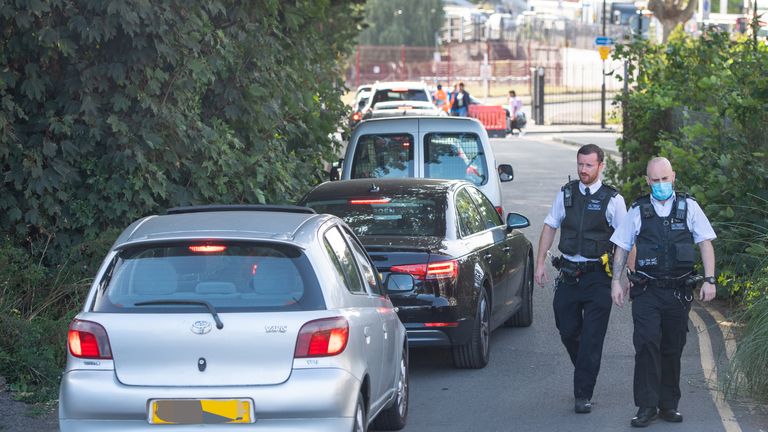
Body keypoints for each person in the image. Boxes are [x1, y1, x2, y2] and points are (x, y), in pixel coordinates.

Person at [609, 156, 716, 428]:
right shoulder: (638, 210)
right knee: (646, 344)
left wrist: (709, 279)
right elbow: (621, 245)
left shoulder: (688, 207)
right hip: (647, 290)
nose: (660, 185)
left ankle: (669, 404)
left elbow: (705, 242)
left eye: (664, 179)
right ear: (647, 181)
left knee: (672, 347)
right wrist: (616, 281)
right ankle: (646, 406)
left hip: (678, 292)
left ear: (673, 177)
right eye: (654, 180)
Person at [534, 144, 627, 414]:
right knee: (567, 330)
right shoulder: (566, 194)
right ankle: (586, 367)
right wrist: (540, 263)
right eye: (580, 165)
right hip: (569, 275)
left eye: (589, 165)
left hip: (599, 276)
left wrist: (621, 278)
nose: (583, 170)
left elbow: (624, 241)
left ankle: (583, 393)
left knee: (591, 339)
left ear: (601, 166)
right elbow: (550, 225)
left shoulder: (613, 200)